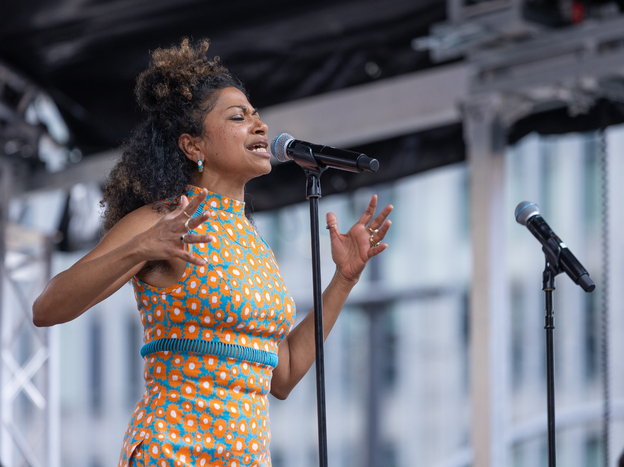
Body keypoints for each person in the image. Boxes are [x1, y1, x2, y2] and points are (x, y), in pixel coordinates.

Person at [32, 38, 392, 467]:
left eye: (258, 116)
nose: (259, 126)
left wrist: (344, 280)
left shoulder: (253, 243)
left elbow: (286, 373)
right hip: (173, 452)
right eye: (239, 117)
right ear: (193, 146)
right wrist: (139, 248)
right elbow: (46, 307)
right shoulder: (163, 217)